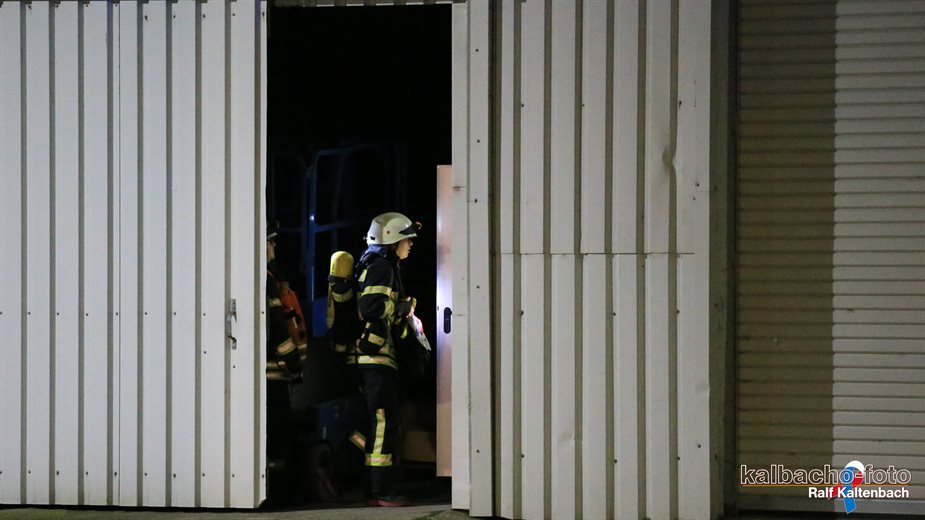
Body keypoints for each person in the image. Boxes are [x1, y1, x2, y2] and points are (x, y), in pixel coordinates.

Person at [350, 212, 420, 507]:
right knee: (382, 423)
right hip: (374, 359)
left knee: (380, 422)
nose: (410, 245)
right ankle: (379, 490)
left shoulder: (378, 265)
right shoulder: (381, 267)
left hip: (375, 358)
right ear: (392, 241)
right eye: (407, 239)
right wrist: (399, 308)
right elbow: (372, 307)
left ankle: (369, 479)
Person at [266, 222, 303, 504]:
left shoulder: (269, 276)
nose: (274, 246)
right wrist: (293, 363)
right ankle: (278, 494)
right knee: (277, 435)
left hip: (272, 371)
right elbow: (278, 326)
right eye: (270, 241)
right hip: (274, 372)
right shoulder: (267, 279)